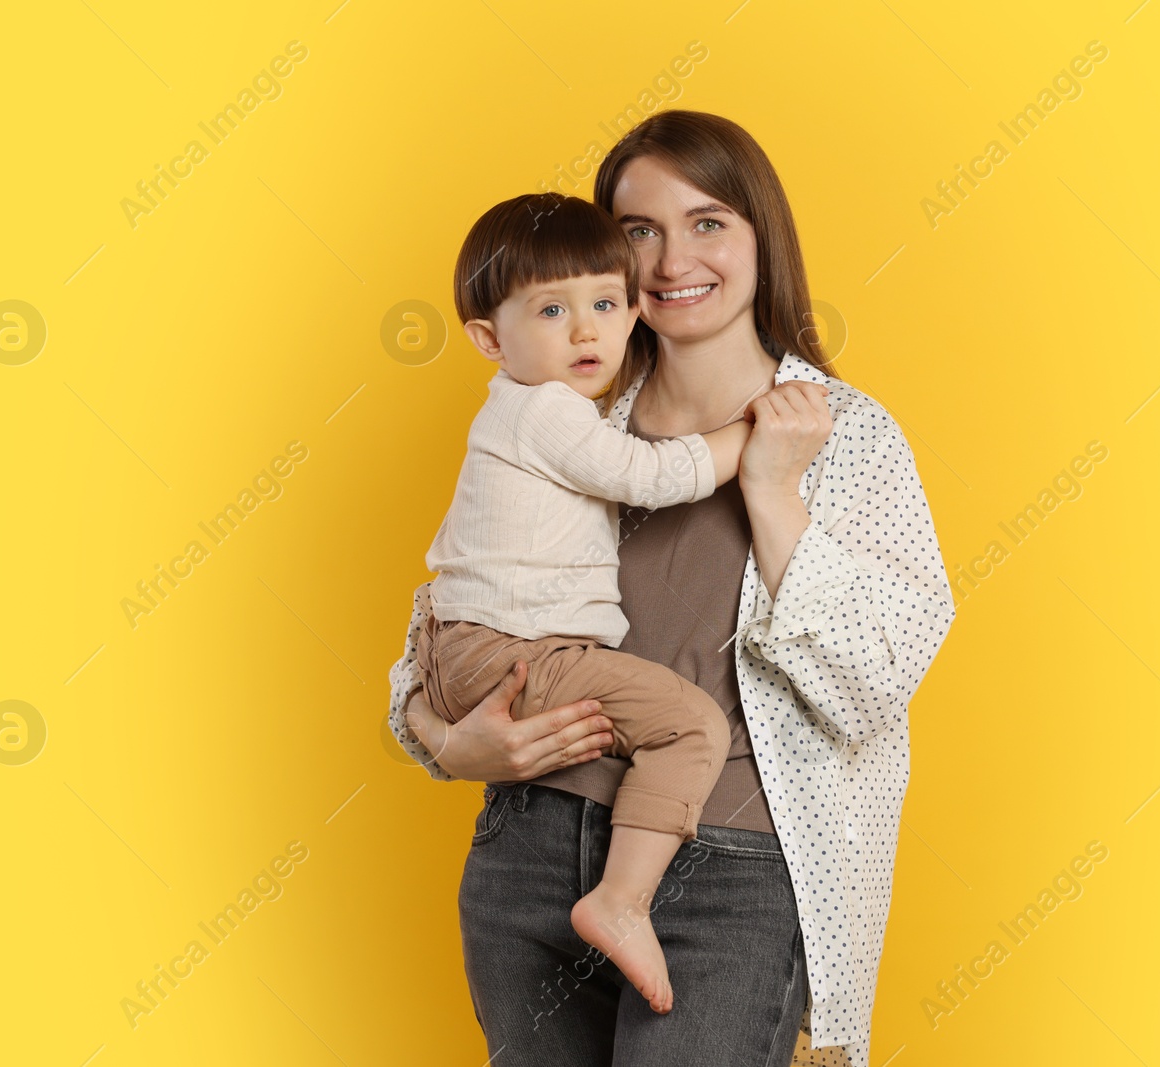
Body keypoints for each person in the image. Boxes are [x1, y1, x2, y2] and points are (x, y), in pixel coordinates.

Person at [387, 110, 956, 1067]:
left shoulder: (845, 435)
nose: (669, 258)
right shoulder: (565, 412)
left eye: (707, 222)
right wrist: (447, 741)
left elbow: (873, 684)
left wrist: (774, 491)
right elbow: (449, 618)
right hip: (533, 853)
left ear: (759, 239)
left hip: (736, 873)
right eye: (639, 230)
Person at [415, 189, 775, 1013]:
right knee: (691, 726)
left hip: (482, 654)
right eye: (552, 309)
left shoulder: (528, 413)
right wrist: (750, 433)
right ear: (487, 337)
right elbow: (649, 477)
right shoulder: (553, 410)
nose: (586, 331)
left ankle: (618, 892)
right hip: (515, 665)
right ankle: (621, 899)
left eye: (604, 303)